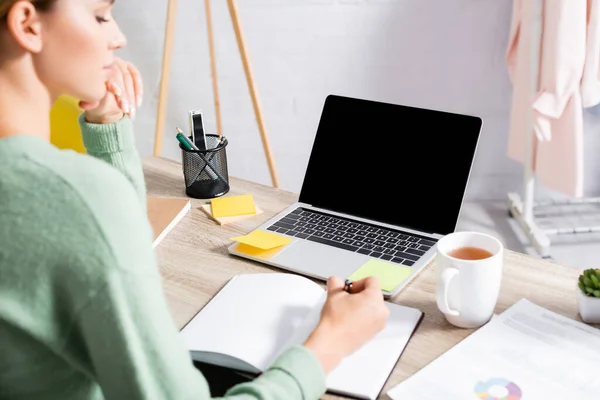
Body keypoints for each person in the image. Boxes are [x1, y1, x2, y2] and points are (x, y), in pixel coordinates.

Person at [0, 0, 391, 399]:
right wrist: (329, 344)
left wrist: (108, 120)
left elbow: (113, 239)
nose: (118, 37)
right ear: (28, 24)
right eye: (100, 15)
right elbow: (98, 223)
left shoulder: (64, 197)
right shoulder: (79, 199)